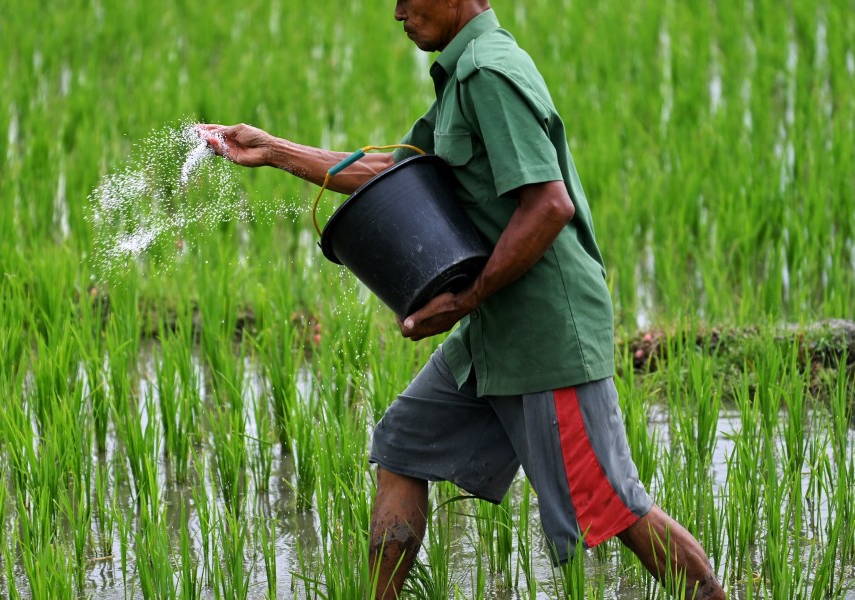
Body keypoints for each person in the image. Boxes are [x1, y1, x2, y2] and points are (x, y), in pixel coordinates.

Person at [199, 1, 726, 598]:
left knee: (614, 506)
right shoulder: (462, 74)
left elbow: (549, 206)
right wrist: (271, 150)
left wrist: (464, 300)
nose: (397, 11)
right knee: (403, 444)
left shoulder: (489, 74)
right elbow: (393, 172)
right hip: (493, 329)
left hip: (545, 330)